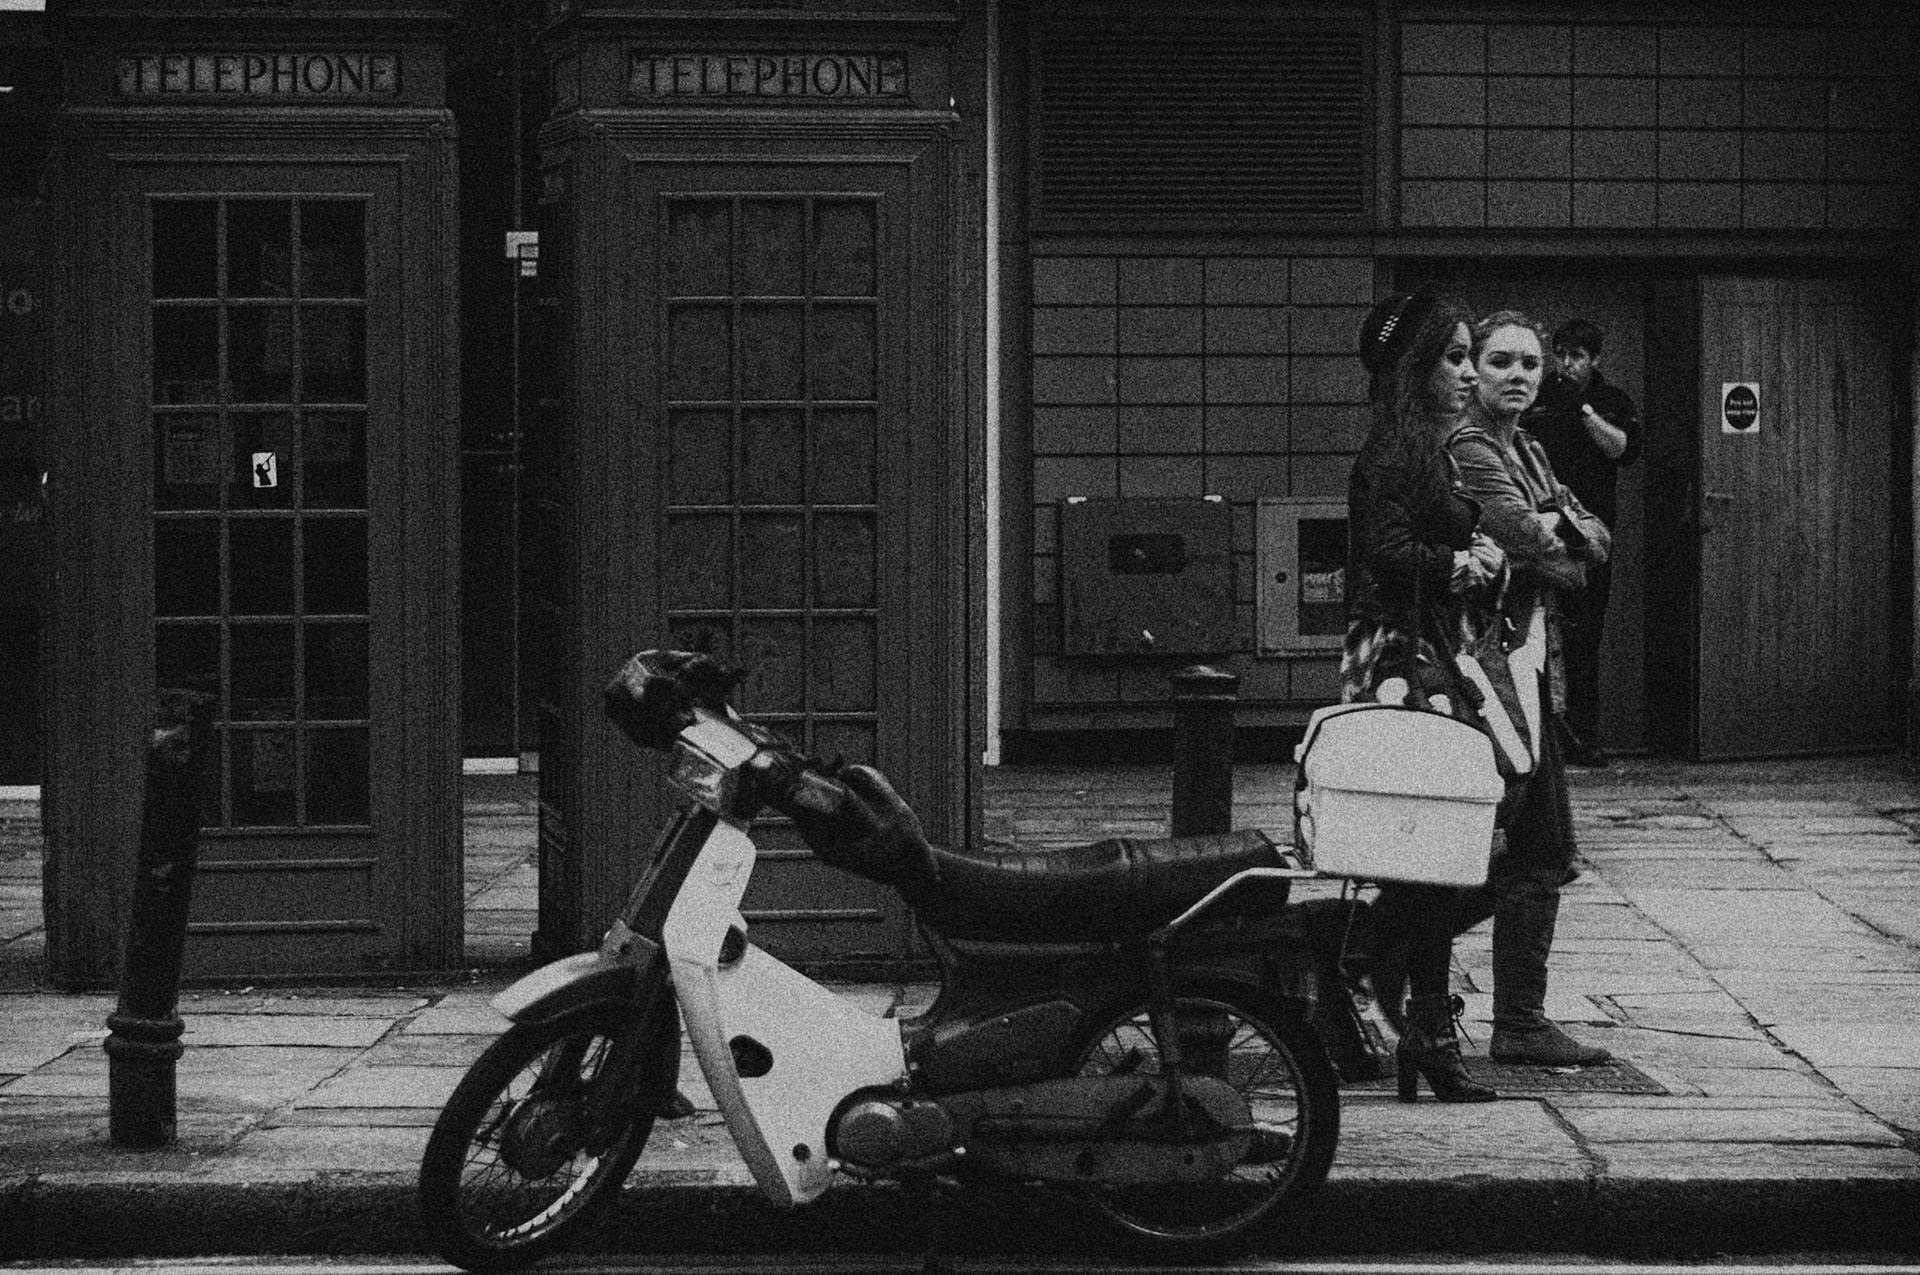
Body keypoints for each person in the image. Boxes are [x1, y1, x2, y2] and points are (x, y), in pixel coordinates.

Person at [1442, 310, 1613, 1068]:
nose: (1517, 375)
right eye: (1501, 361)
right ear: (1473, 369)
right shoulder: (1471, 446)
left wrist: (1559, 535)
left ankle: (1514, 1017)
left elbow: (1593, 540)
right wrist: (1557, 535)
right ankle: (1367, 955)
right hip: (1479, 669)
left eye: (1530, 364)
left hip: (1524, 665)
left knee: (1534, 846)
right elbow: (1528, 535)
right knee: (1515, 844)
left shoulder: (1532, 449)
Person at [1344, 290, 1502, 1103]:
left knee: (1441, 848)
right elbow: (1383, 549)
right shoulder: (1394, 451)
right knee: (1440, 845)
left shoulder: (1426, 446)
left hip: (1426, 652)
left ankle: (1411, 1012)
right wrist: (1460, 564)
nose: (1470, 373)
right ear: (1415, 367)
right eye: (1455, 357)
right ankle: (1406, 1009)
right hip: (1402, 660)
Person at [1522, 319, 1640, 767]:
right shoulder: (1537, 396)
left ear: (1595, 359)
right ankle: (1540, 741)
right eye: (1561, 354)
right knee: (1535, 635)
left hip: (1589, 540)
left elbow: (1623, 450)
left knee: (1584, 640)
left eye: (1577, 356)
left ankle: (1583, 738)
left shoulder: (1611, 401)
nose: (1566, 364)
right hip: (1538, 533)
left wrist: (1585, 411)